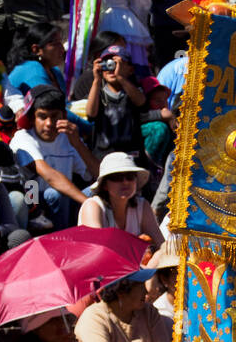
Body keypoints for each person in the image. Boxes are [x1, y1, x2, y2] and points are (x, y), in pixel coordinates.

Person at [10, 87, 99, 231]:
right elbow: (50, 176)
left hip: (65, 201)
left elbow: (98, 174)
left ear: (63, 116)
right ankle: (63, 236)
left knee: (103, 187)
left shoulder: (68, 137)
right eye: (42, 117)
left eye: (54, 116)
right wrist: (89, 203)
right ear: (32, 118)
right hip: (34, 204)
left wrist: (78, 144)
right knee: (55, 194)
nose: (49, 123)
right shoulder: (23, 138)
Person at [77, 153, 163, 247]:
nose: (125, 182)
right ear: (105, 185)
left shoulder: (142, 206)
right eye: (117, 177)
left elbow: (162, 245)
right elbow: (98, 249)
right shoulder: (93, 206)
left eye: (130, 176)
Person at [83, 45, 144, 159]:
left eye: (116, 63)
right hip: (104, 155)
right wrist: (96, 80)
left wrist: (120, 77)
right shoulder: (97, 94)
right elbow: (91, 113)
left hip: (131, 154)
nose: (111, 68)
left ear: (131, 69)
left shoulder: (134, 91)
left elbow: (141, 102)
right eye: (106, 63)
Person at [2, 23, 66, 114]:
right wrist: (89, 127)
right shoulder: (32, 70)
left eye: (60, 42)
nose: (62, 48)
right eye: (55, 43)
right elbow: (51, 108)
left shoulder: (54, 71)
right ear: (36, 49)